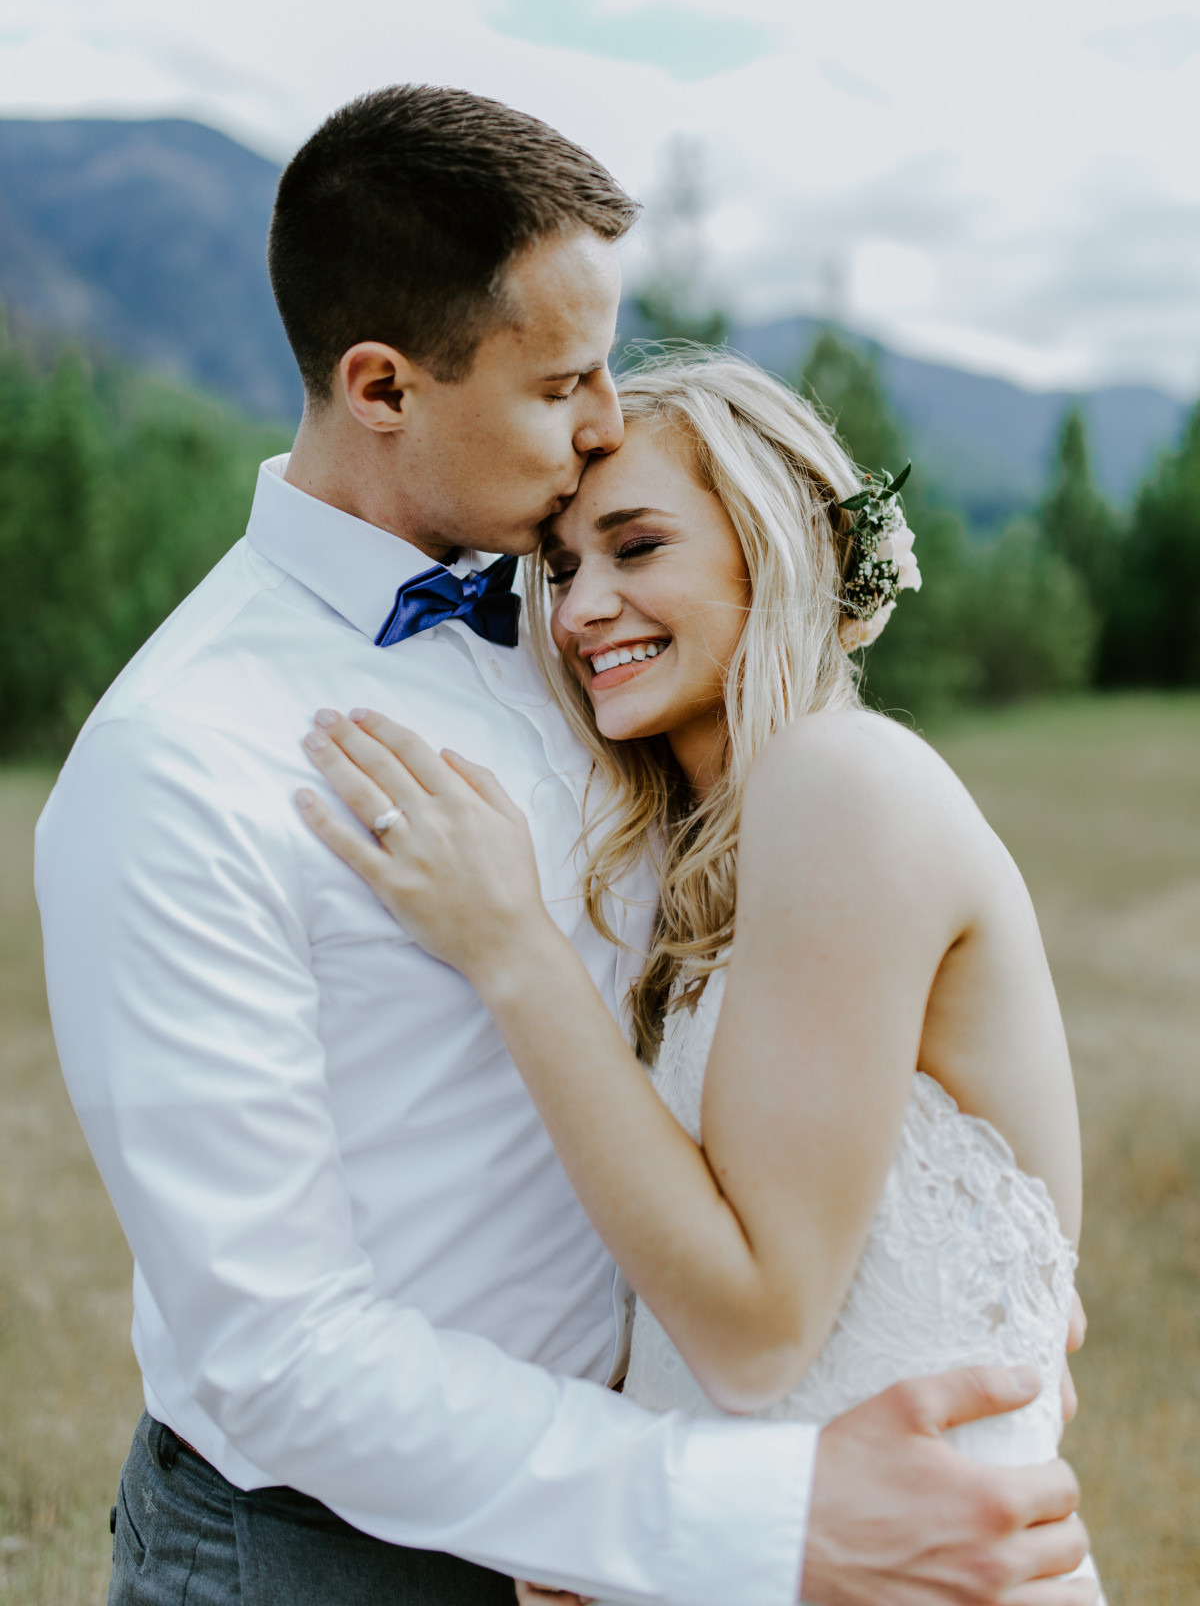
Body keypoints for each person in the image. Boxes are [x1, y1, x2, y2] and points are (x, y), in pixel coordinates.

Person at [35, 86, 1094, 1606]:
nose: (605, 423)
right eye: (563, 383)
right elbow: (277, 1347)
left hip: (662, 1516)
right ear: (384, 389)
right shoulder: (179, 766)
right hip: (338, 1558)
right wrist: (706, 1509)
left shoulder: (578, 659)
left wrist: (966, 1291)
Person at [292, 353, 1104, 1602]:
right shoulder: (703, 874)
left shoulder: (844, 782)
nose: (578, 611)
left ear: (768, 550)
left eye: (637, 547)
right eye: (561, 568)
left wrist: (510, 947)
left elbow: (757, 1332)